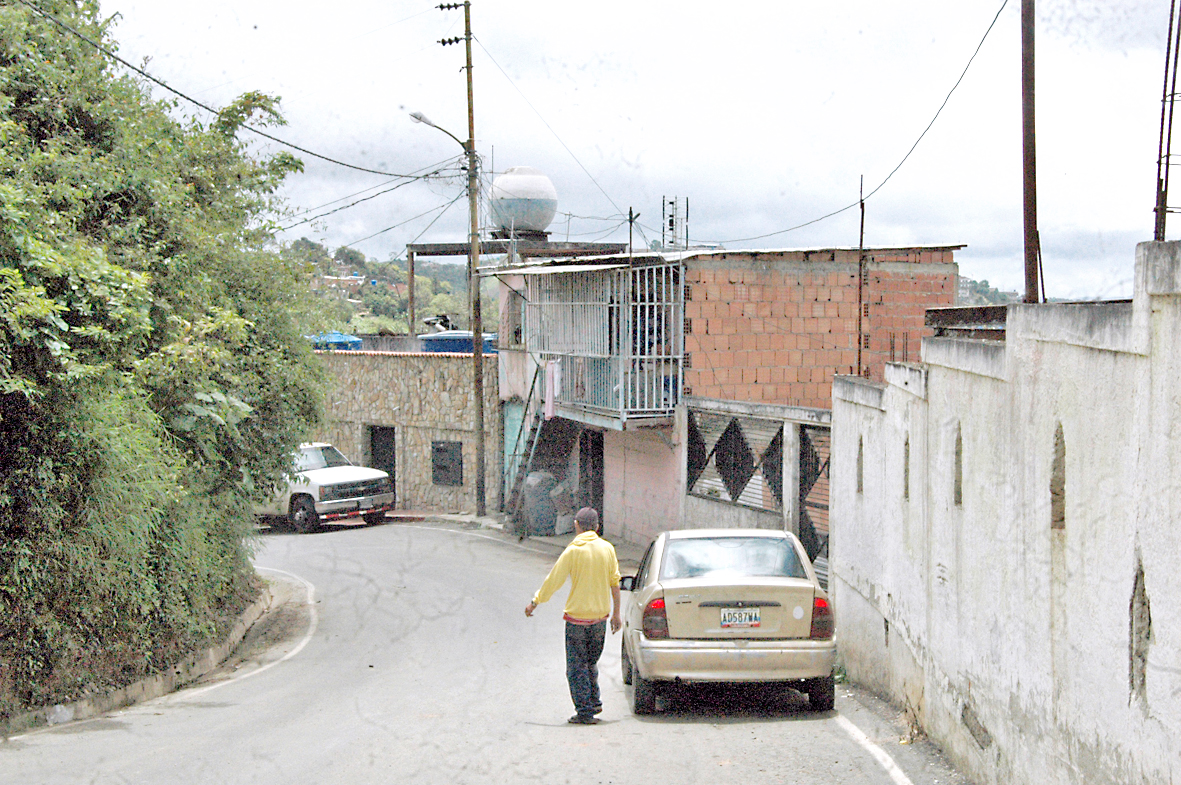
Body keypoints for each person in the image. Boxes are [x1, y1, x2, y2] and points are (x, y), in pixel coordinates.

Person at [524, 507, 622, 725]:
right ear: (597, 527)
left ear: (576, 525)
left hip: (577, 620)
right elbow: (615, 583)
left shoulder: (572, 551)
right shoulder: (607, 549)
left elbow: (554, 580)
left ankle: (585, 711)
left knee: (576, 667)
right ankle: (594, 701)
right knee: (590, 662)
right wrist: (616, 614)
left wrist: (535, 602)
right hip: (600, 619)